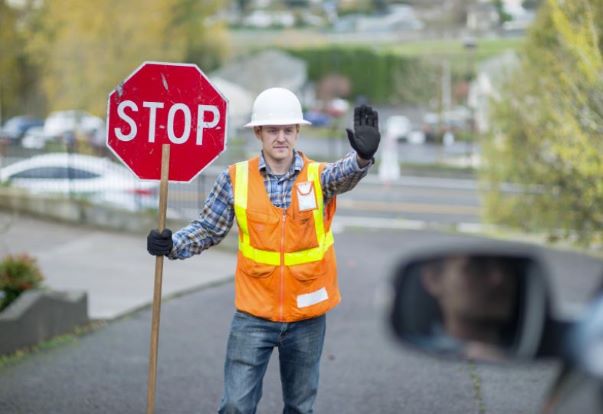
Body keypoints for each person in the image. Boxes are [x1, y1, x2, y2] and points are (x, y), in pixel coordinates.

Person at [146, 87, 380, 413]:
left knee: (299, 407)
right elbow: (208, 229)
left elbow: (344, 174)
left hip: (307, 317)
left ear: (298, 132)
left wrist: (362, 158)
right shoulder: (235, 179)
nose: (281, 137)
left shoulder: (318, 178)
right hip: (254, 315)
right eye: (273, 129)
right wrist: (172, 245)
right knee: (236, 407)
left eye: (288, 129)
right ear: (258, 132)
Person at [419, 255, 520, 360]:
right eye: (477, 264)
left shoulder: (527, 349)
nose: (499, 278)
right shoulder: (419, 356)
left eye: (507, 265)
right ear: (433, 279)